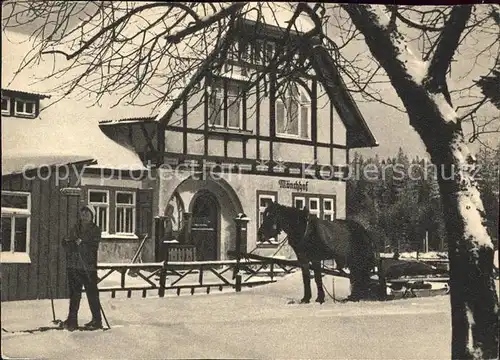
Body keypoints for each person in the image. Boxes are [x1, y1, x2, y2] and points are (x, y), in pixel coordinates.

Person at [62, 205, 103, 331]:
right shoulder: (75, 228)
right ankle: (72, 320)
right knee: (74, 295)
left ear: (92, 216)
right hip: (74, 266)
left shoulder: (95, 229)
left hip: (88, 268)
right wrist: (67, 242)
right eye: (83, 213)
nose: (84, 215)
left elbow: (93, 246)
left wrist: (81, 243)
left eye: (87, 213)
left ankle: (97, 320)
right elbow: (67, 243)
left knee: (92, 295)